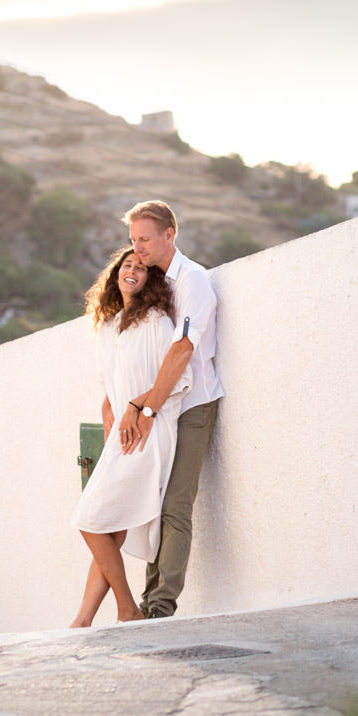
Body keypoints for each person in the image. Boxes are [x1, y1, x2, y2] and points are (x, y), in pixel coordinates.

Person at [69, 246, 192, 626]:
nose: (133, 271)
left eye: (141, 267)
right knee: (109, 529)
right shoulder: (108, 325)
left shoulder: (156, 321)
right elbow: (109, 389)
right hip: (120, 440)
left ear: (149, 279)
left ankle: (127, 610)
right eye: (127, 264)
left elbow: (176, 380)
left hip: (149, 432)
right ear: (115, 273)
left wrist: (137, 407)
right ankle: (83, 621)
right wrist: (110, 422)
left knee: (90, 521)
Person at [116, 200, 223, 619]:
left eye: (144, 239)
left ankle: (160, 607)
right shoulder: (151, 280)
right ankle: (146, 603)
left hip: (192, 404)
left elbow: (182, 350)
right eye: (132, 241)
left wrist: (146, 411)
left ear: (168, 235)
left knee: (176, 505)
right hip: (160, 406)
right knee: (153, 503)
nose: (137, 248)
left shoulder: (192, 280)